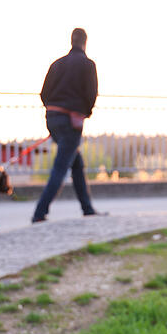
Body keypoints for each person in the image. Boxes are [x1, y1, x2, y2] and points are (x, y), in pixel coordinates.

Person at [32, 28, 104, 222]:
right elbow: (91, 94)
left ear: (71, 41)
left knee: (76, 164)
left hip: (52, 119)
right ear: (85, 42)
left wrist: (54, 109)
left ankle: (87, 208)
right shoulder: (88, 65)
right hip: (71, 121)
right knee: (60, 168)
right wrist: (84, 113)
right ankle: (39, 212)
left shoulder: (57, 64)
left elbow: (43, 93)